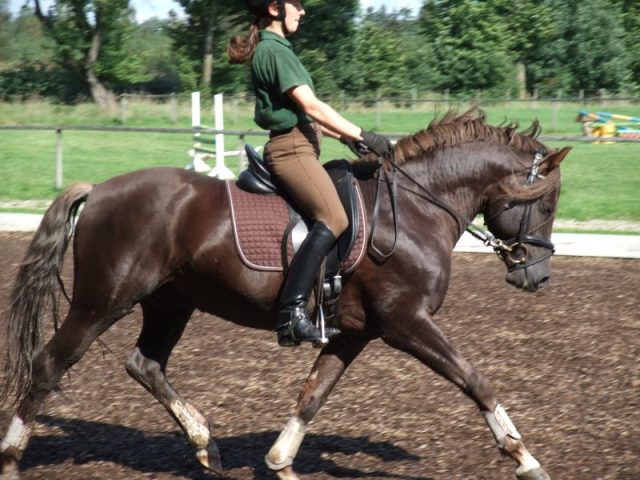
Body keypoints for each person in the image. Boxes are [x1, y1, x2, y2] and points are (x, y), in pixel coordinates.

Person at [228, 0, 393, 347]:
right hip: (291, 150)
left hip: (301, 144)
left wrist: (349, 139)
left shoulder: (276, 48)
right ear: (275, 8)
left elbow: (309, 118)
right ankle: (292, 314)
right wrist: (364, 134)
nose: (302, 12)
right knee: (334, 216)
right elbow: (313, 107)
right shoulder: (275, 51)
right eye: (297, 5)